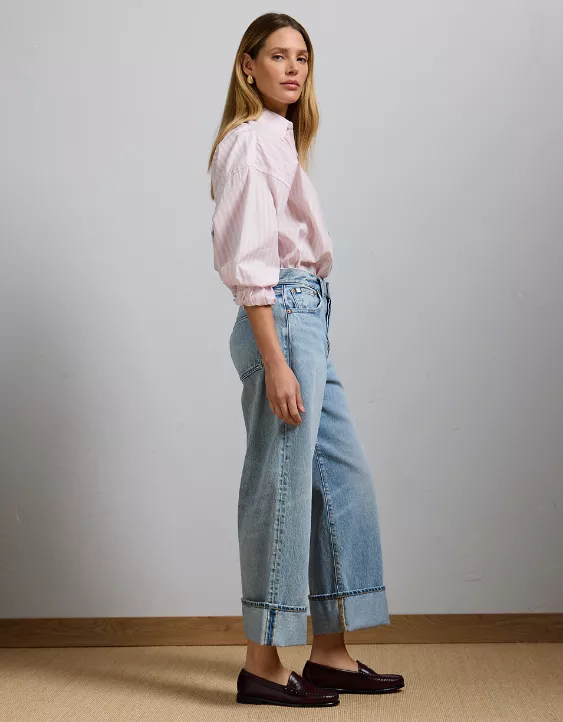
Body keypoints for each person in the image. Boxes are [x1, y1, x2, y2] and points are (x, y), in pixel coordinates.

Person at [207, 12, 405, 707]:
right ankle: (261, 663)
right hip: (281, 320)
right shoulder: (248, 143)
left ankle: (328, 652)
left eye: (302, 57)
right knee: (283, 488)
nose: (292, 68)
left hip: (307, 317)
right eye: (277, 56)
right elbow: (247, 261)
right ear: (248, 66)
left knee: (337, 478)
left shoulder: (280, 138)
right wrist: (277, 358)